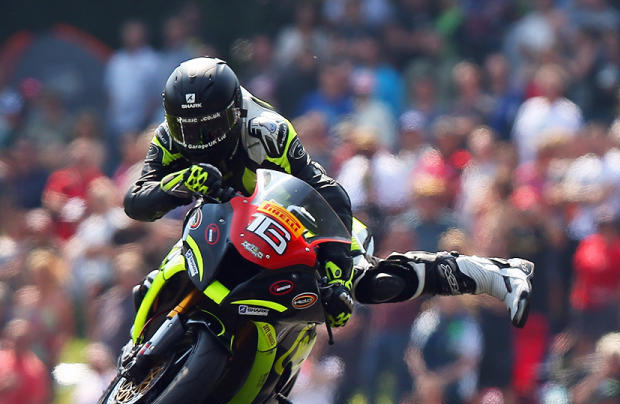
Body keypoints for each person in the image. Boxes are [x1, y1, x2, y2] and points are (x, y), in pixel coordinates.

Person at [123, 57, 534, 330]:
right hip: (221, 224)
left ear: (234, 112)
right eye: (187, 129)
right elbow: (136, 202)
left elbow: (327, 194)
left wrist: (336, 270)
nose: (198, 140)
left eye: (209, 128)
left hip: (293, 220)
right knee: (154, 279)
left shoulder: (268, 130)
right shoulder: (170, 135)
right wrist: (174, 185)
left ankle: (493, 274)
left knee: (370, 283)